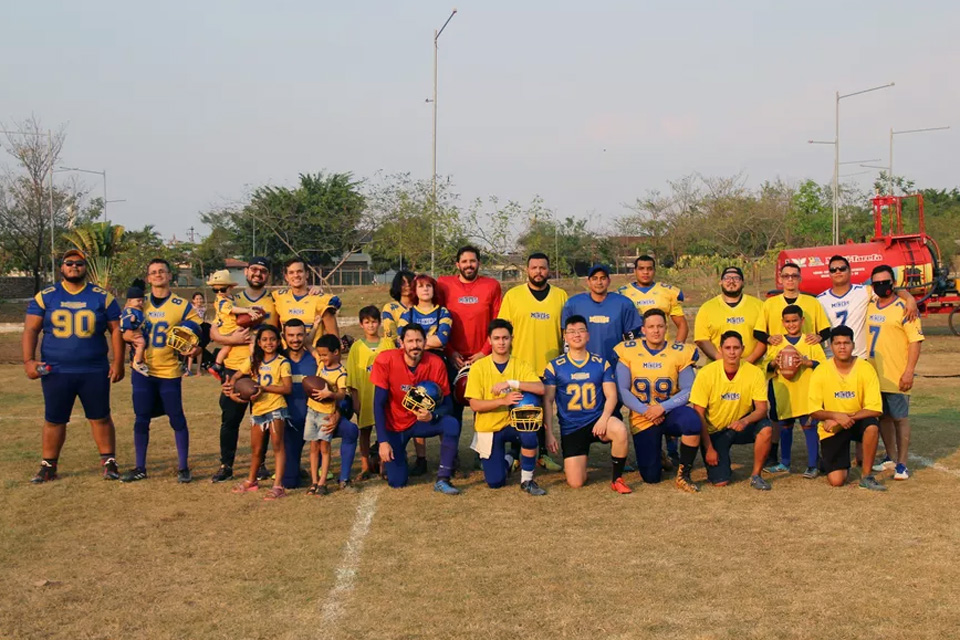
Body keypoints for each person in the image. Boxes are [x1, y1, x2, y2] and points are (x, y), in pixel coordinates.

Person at [23, 249, 125, 483]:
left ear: (85, 267)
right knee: (54, 418)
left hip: (93, 368)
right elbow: (31, 329)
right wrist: (29, 361)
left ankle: (109, 461)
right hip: (56, 369)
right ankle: (48, 465)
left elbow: (116, 330)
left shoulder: (102, 297)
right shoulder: (46, 296)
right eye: (69, 263)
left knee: (100, 416)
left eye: (79, 263)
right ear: (61, 267)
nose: (74, 267)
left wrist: (118, 362)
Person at [120, 258, 203, 483]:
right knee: (141, 418)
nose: (157, 275)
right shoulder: (138, 303)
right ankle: (140, 467)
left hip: (169, 370)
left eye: (161, 272)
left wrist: (195, 347)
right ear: (148, 278)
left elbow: (199, 331)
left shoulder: (182, 305)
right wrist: (128, 336)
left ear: (169, 276)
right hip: (143, 370)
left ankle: (183, 467)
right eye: (153, 272)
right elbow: (124, 330)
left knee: (176, 418)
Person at [614, 309, 703, 493]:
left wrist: (662, 408)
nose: (656, 330)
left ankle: (684, 474)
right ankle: (660, 456)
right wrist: (647, 410)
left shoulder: (679, 352)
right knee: (651, 477)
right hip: (642, 416)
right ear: (643, 329)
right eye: (651, 326)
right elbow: (621, 390)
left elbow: (689, 389)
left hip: (670, 412)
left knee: (692, 422)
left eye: (660, 326)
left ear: (666, 328)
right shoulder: (628, 350)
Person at [544, 315, 631, 493]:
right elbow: (548, 400)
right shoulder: (554, 366)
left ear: (588, 335)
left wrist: (604, 418)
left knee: (620, 429)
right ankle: (580, 466)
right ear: (565, 337)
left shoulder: (600, 363)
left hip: (599, 420)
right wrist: (549, 434)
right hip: (572, 427)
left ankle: (617, 479)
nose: (577, 335)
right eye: (572, 332)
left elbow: (612, 396)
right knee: (576, 483)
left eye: (581, 330)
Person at [210, 257, 278, 483]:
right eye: (254, 269)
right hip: (234, 367)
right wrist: (232, 338)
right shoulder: (231, 299)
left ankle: (261, 464)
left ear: (268, 275)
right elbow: (213, 333)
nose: (258, 274)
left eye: (263, 271)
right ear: (246, 272)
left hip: (262, 367)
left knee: (263, 419)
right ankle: (226, 464)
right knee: (230, 418)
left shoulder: (274, 300)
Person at [497, 252, 568, 471]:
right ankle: (515, 453)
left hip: (549, 366)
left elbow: (566, 333)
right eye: (534, 267)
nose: (539, 271)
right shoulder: (513, 296)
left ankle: (543, 454)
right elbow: (502, 331)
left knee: (545, 411)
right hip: (521, 365)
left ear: (549, 270)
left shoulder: (561, 296)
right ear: (527, 270)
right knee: (518, 409)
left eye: (543, 267)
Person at [371, 324, 462, 495]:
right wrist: (382, 441)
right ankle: (396, 455)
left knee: (451, 424)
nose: (415, 345)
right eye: (410, 341)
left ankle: (443, 478)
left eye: (419, 340)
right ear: (401, 342)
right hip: (395, 424)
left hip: (420, 422)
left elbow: (448, 405)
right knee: (397, 482)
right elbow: (378, 404)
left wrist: (432, 415)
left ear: (425, 342)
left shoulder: (435, 363)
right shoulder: (386, 360)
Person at [466, 319, 548, 495]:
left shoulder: (521, 364)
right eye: (497, 338)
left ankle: (527, 479)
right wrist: (503, 401)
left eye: (505, 338)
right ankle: (510, 457)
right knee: (495, 482)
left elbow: (541, 388)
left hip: (513, 424)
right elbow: (474, 404)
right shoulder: (478, 367)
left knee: (529, 430)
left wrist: (512, 382)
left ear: (512, 339)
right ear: (489, 340)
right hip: (489, 426)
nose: (501, 342)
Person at [690, 330, 774, 490]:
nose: (732, 352)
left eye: (736, 348)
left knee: (766, 428)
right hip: (714, 430)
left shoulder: (754, 372)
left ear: (742, 349)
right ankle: (721, 462)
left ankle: (756, 475)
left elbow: (762, 409)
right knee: (720, 482)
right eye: (727, 348)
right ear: (720, 349)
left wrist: (745, 420)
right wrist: (709, 448)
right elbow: (698, 413)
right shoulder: (707, 373)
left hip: (740, 423)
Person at [807, 326, 886, 491]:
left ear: (853, 345)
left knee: (872, 426)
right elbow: (813, 410)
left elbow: (875, 408)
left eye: (846, 343)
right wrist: (835, 416)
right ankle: (828, 462)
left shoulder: (865, 368)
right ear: (830, 345)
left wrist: (844, 417)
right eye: (837, 343)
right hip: (833, 426)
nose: (842, 347)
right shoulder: (821, 370)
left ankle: (866, 476)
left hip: (855, 421)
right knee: (837, 481)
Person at [866, 265, 924, 480]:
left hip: (896, 373)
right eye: (877, 283)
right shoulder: (870, 303)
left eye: (886, 282)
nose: (882, 286)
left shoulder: (905, 308)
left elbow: (915, 341)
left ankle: (902, 463)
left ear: (893, 283)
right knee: (884, 418)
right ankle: (890, 457)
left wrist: (909, 371)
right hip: (873, 374)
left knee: (900, 418)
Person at [437, 245, 502, 424]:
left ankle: (483, 452)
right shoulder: (444, 284)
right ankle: (451, 452)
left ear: (479, 263)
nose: (469, 265)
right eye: (464, 261)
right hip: (454, 358)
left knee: (484, 409)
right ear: (457, 264)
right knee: (453, 409)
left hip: (483, 357)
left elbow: (497, 322)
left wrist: (485, 352)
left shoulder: (491, 285)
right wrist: (449, 352)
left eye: (472, 261)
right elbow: (437, 319)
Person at [397, 273, 454, 475]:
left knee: (442, 408)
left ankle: (448, 458)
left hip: (439, 363)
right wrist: (427, 339)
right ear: (415, 290)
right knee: (416, 407)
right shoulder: (408, 314)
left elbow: (442, 341)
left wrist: (416, 342)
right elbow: (400, 341)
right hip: (413, 365)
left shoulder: (443, 312)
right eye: (420, 286)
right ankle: (421, 459)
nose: (425, 289)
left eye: (429, 286)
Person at [226, 325, 291, 500]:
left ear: (278, 342)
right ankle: (251, 480)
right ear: (259, 343)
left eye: (272, 339)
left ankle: (278, 485)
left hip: (276, 408)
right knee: (256, 448)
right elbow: (235, 377)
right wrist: (233, 391)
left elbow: (287, 388)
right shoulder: (253, 360)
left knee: (278, 446)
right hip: (258, 410)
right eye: (264, 339)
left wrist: (264, 388)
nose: (268, 342)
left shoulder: (282, 362)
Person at [761, 304, 826, 478]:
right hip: (785, 395)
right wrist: (775, 363)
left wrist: (807, 362)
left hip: (806, 393)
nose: (791, 324)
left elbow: (824, 365)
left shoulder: (810, 341)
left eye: (795, 320)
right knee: (785, 428)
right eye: (787, 321)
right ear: (782, 322)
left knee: (809, 427)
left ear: (802, 320)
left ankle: (813, 464)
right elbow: (765, 367)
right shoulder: (777, 342)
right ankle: (785, 463)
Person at [816, 254, 918, 358]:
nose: (838, 272)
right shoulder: (820, 300)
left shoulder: (864, 291)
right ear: (829, 273)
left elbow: (891, 290)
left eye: (842, 268)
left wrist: (910, 298)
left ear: (850, 271)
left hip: (859, 357)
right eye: (833, 270)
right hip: (832, 358)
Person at [304, 334, 360, 494]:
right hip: (312, 411)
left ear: (336, 352)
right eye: (320, 355)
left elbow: (342, 394)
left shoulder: (341, 372)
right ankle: (314, 481)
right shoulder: (321, 364)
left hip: (326, 413)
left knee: (324, 447)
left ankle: (322, 482)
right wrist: (316, 323)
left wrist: (330, 395)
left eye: (324, 355)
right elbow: (309, 344)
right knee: (313, 447)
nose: (321, 358)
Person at [346, 306, 394, 479]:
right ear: (361, 324)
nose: (371, 326)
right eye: (367, 322)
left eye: (374, 322)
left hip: (384, 396)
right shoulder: (356, 347)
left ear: (379, 323)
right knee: (364, 431)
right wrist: (355, 399)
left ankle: (385, 465)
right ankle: (365, 466)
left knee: (386, 430)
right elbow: (352, 376)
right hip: (365, 396)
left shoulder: (387, 344)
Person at [561, 264, 640, 364]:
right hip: (582, 365)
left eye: (603, 278)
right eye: (594, 278)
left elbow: (631, 336)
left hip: (614, 364)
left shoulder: (624, 304)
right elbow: (566, 337)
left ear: (609, 281)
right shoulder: (573, 304)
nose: (599, 282)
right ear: (588, 282)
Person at [694, 266, 766, 364]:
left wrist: (749, 361)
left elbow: (766, 338)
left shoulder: (759, 306)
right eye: (727, 278)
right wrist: (724, 361)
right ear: (720, 282)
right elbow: (701, 340)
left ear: (743, 282)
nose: (731, 281)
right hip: (718, 368)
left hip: (753, 367)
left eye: (736, 278)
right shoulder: (707, 308)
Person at [754, 262, 831, 348]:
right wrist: (768, 338)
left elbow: (825, 330)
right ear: (780, 279)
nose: (790, 279)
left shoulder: (813, 302)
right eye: (786, 276)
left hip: (807, 355)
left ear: (800, 279)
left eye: (794, 276)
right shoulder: (769, 303)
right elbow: (758, 332)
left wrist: (819, 337)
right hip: (779, 355)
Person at [206, 269, 263, 381]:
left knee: (228, 346)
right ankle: (254, 361)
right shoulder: (221, 301)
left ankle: (217, 365)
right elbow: (233, 309)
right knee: (252, 340)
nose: (218, 292)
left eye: (222, 289)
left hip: (230, 327)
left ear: (230, 287)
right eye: (215, 290)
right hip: (229, 328)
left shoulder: (231, 298)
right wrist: (247, 311)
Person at [617, 255, 688, 343]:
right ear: (635, 271)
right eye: (641, 269)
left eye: (649, 269)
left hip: (661, 349)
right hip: (633, 350)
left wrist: (678, 347)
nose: (645, 272)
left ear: (654, 271)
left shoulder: (668, 291)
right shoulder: (622, 293)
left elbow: (682, 324)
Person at [272, 257, 340, 345]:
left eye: (299, 271)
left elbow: (334, 339)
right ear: (286, 277)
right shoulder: (279, 297)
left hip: (313, 355)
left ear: (307, 274)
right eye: (291, 272)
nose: (296, 275)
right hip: (286, 356)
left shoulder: (320, 299)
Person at [280, 318, 315, 488]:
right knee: (290, 483)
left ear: (305, 336)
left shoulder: (315, 359)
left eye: (300, 335)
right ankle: (294, 467)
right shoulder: (277, 359)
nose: (295, 339)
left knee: (350, 430)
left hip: (314, 420)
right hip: (290, 424)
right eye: (291, 335)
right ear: (284, 336)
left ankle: (330, 469)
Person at [120, 280, 149, 375]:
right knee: (141, 343)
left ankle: (137, 362)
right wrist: (131, 320)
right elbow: (126, 318)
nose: (141, 302)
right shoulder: (129, 309)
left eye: (142, 300)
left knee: (138, 345)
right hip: (132, 332)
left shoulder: (138, 309)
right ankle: (138, 362)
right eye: (138, 300)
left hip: (134, 332)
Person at [381, 269, 415, 345]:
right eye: (403, 283)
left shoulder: (422, 307)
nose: (407, 285)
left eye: (410, 282)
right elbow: (390, 335)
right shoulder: (390, 308)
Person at [184, 291, 211, 376]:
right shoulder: (191, 309)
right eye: (197, 299)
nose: (199, 300)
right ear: (193, 300)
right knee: (191, 349)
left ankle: (198, 370)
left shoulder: (204, 309)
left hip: (201, 330)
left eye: (200, 298)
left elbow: (204, 320)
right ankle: (188, 369)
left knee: (200, 349)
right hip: (192, 330)